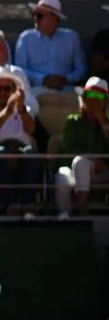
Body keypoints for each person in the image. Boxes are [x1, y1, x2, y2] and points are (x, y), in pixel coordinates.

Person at [0, 69, 41, 215]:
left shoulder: (25, 110)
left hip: (21, 152)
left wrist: (21, 109)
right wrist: (7, 112)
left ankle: (29, 203)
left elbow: (31, 129)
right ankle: (9, 203)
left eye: (7, 89)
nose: (2, 93)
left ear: (14, 91)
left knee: (31, 153)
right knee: (1, 153)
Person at [55, 77, 109, 217]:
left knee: (82, 162)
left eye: (99, 96)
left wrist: (104, 125)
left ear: (105, 101)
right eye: (91, 95)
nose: (94, 100)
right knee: (63, 176)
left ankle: (82, 213)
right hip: (73, 169)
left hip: (100, 172)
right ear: (84, 98)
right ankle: (65, 217)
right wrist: (92, 159)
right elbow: (67, 149)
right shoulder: (73, 121)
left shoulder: (107, 123)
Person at [14, 0, 86, 97]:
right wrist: (43, 79)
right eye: (34, 15)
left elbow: (81, 69)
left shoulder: (71, 37)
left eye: (39, 15)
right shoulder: (26, 38)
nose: (35, 19)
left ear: (54, 18)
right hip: (36, 90)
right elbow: (19, 70)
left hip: (66, 88)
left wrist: (66, 79)